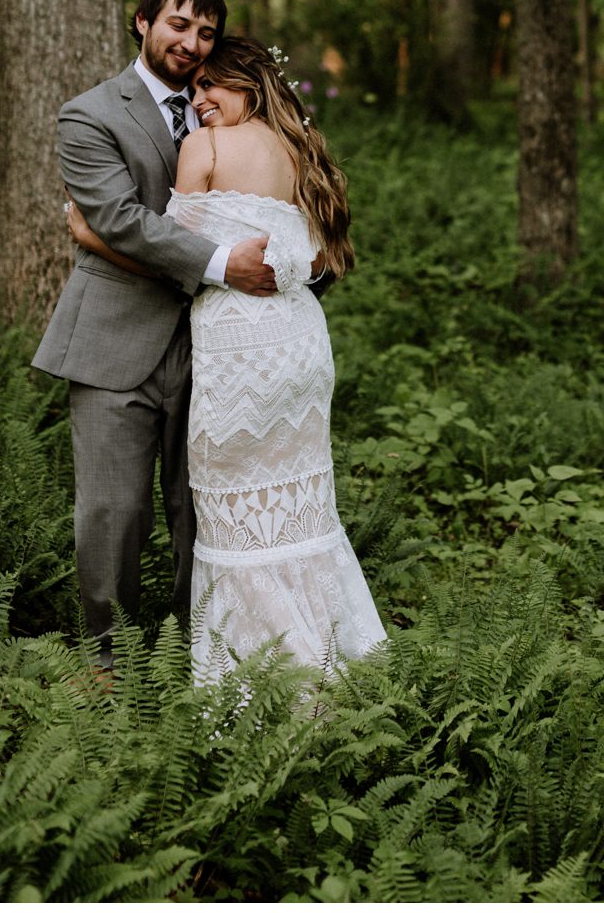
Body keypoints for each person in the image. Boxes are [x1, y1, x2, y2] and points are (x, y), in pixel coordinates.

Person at [66, 34, 384, 683]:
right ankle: (321, 662)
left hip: (236, 353)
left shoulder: (203, 148)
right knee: (298, 512)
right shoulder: (303, 151)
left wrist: (89, 233)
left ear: (248, 84)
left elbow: (176, 254)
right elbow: (320, 260)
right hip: (298, 345)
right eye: (193, 88)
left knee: (234, 521)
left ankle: (252, 681)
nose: (199, 100)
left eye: (213, 86)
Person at [33, 0, 310, 671]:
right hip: (113, 339)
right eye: (179, 25)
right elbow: (122, 220)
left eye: (206, 32)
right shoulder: (89, 114)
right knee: (113, 514)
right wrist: (220, 263)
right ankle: (111, 664)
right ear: (144, 22)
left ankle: (201, 658)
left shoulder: (234, 108)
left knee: (204, 512)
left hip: (217, 343)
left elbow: (278, 211)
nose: (191, 43)